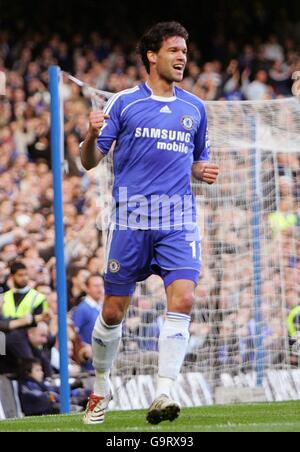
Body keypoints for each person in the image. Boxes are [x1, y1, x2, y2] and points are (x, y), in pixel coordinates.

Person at [80, 21, 219, 425]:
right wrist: (89, 136)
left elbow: (194, 158)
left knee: (184, 299)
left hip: (177, 219)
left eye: (185, 52)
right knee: (112, 311)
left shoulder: (195, 108)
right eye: (174, 50)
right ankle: (101, 389)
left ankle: (163, 393)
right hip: (131, 219)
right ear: (152, 55)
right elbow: (89, 161)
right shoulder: (123, 103)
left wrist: (200, 170)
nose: (182, 58)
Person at [72, 274, 104, 370]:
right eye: (96, 286)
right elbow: (73, 333)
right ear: (87, 288)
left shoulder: (102, 307)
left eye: (101, 285)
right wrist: (84, 347)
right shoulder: (82, 309)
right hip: (89, 363)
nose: (99, 289)